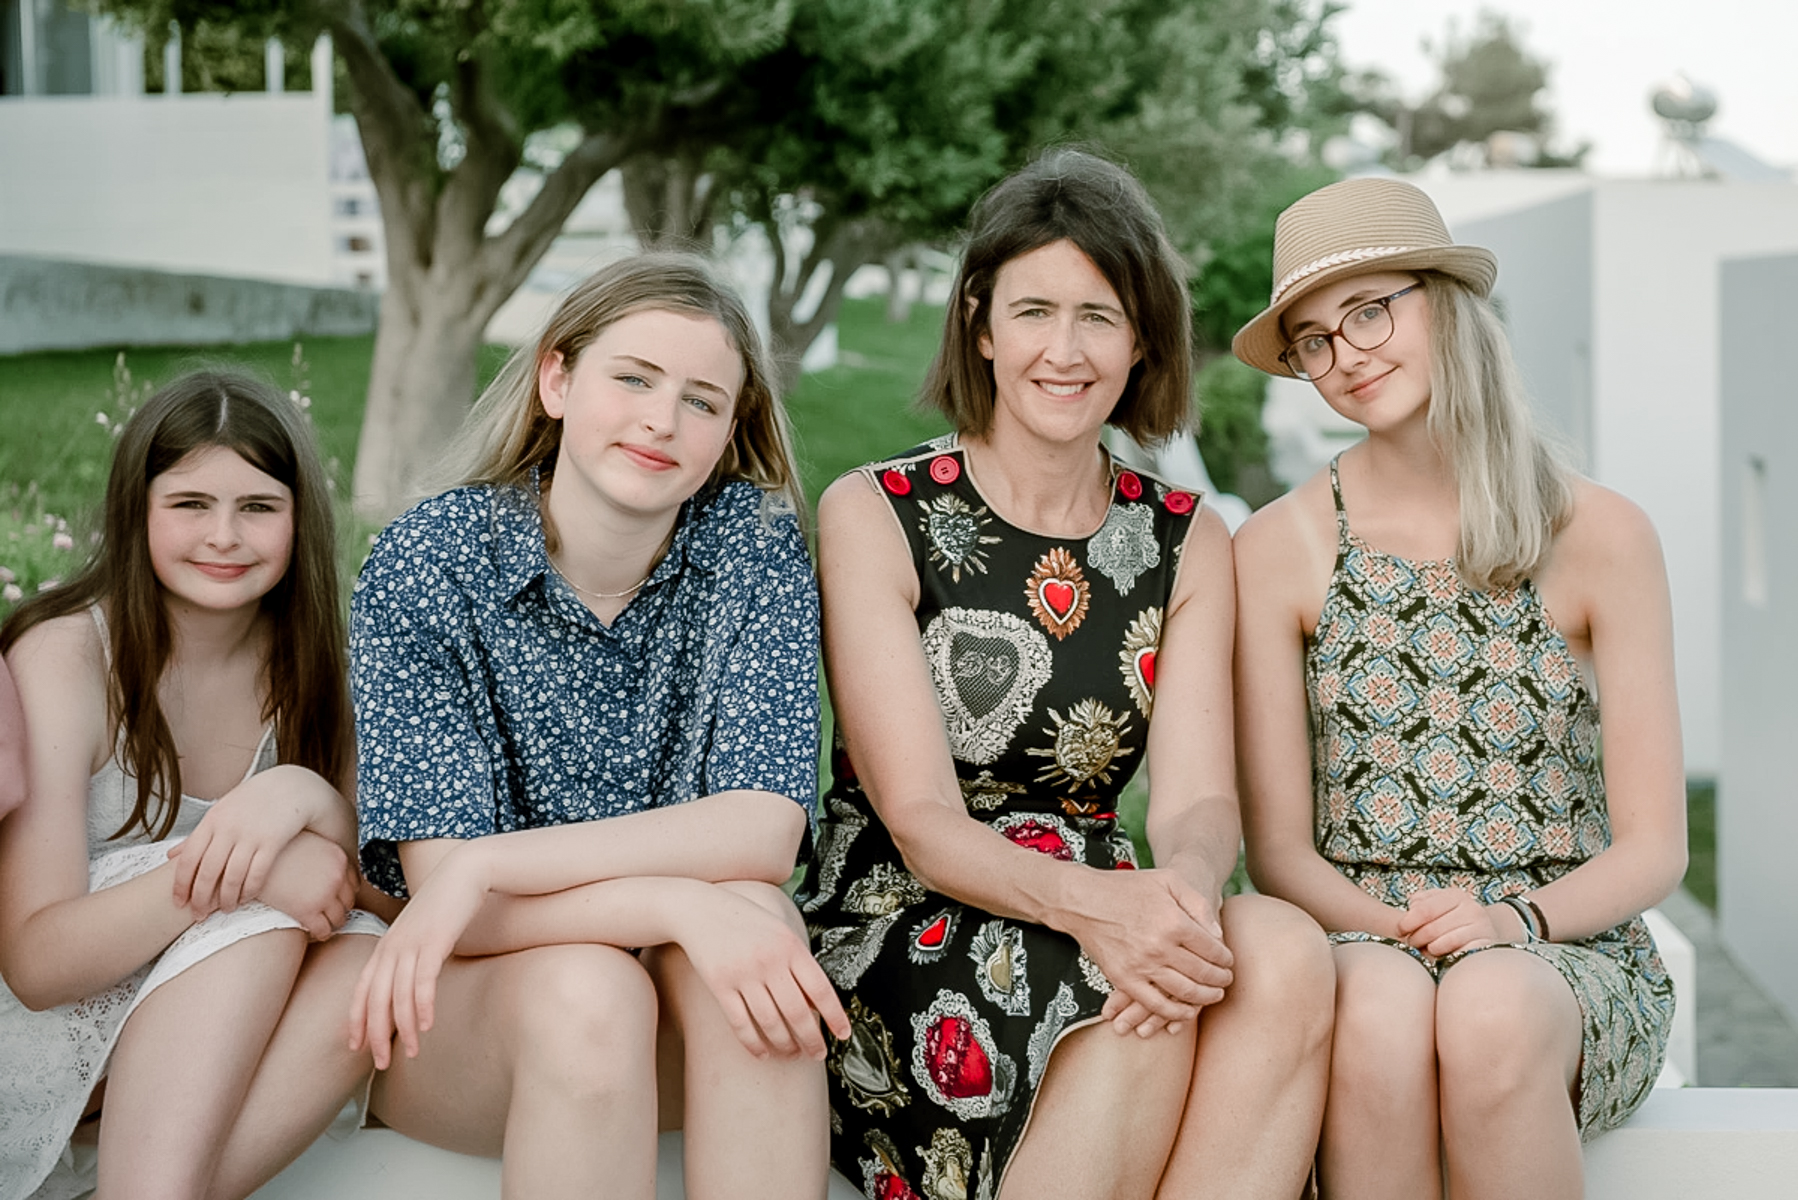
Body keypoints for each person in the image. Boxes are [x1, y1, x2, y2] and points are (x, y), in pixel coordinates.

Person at [795, 148, 1334, 1200]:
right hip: (909, 909)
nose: (1065, 349)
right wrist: (1103, 915)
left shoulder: (1186, 536)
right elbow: (919, 818)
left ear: (1141, 342)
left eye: (1100, 316)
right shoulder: (876, 512)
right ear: (979, 324)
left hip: (1106, 893)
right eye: (1034, 311)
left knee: (1281, 948)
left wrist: (1178, 889)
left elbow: (1197, 797)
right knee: (1129, 997)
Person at [345, 251, 849, 1200]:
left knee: (759, 922)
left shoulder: (753, 545)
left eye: (703, 401)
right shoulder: (432, 559)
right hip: (473, 1018)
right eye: (633, 378)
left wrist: (494, 861)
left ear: (728, 429)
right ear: (557, 378)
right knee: (596, 984)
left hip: (673, 1008)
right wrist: (673, 901)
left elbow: (763, 829)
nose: (663, 420)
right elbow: (453, 908)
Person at [1231, 177, 1683, 1199]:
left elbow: (1656, 845)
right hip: (1358, 932)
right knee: (1385, 1013)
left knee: (1486, 1011)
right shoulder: (1277, 547)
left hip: (1558, 944)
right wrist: (1406, 933)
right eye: (1312, 339)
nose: (1345, 354)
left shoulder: (1602, 535)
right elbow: (1279, 852)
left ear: (1443, 300)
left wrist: (1508, 925)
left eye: (1368, 310)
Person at [0, 370, 386, 1200]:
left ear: (298, 519)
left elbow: (375, 892)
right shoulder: (68, 658)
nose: (224, 536)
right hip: (44, 1039)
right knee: (265, 905)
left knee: (365, 955)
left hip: (203, 1064)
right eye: (189, 505)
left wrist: (304, 796)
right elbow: (32, 961)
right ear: (135, 511)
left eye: (257, 507)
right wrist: (245, 877)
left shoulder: (319, 669)